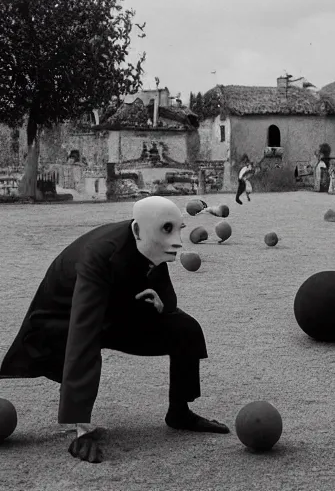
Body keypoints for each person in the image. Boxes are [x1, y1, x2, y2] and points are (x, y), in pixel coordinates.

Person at [0, 196, 230, 463]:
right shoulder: (98, 255)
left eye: (178, 229)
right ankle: (80, 427)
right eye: (169, 230)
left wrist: (162, 304)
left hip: (114, 307)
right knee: (88, 338)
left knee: (185, 329)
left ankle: (179, 412)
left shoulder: (152, 237)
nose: (178, 240)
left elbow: (167, 297)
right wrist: (81, 427)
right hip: (58, 323)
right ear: (136, 230)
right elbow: (82, 333)